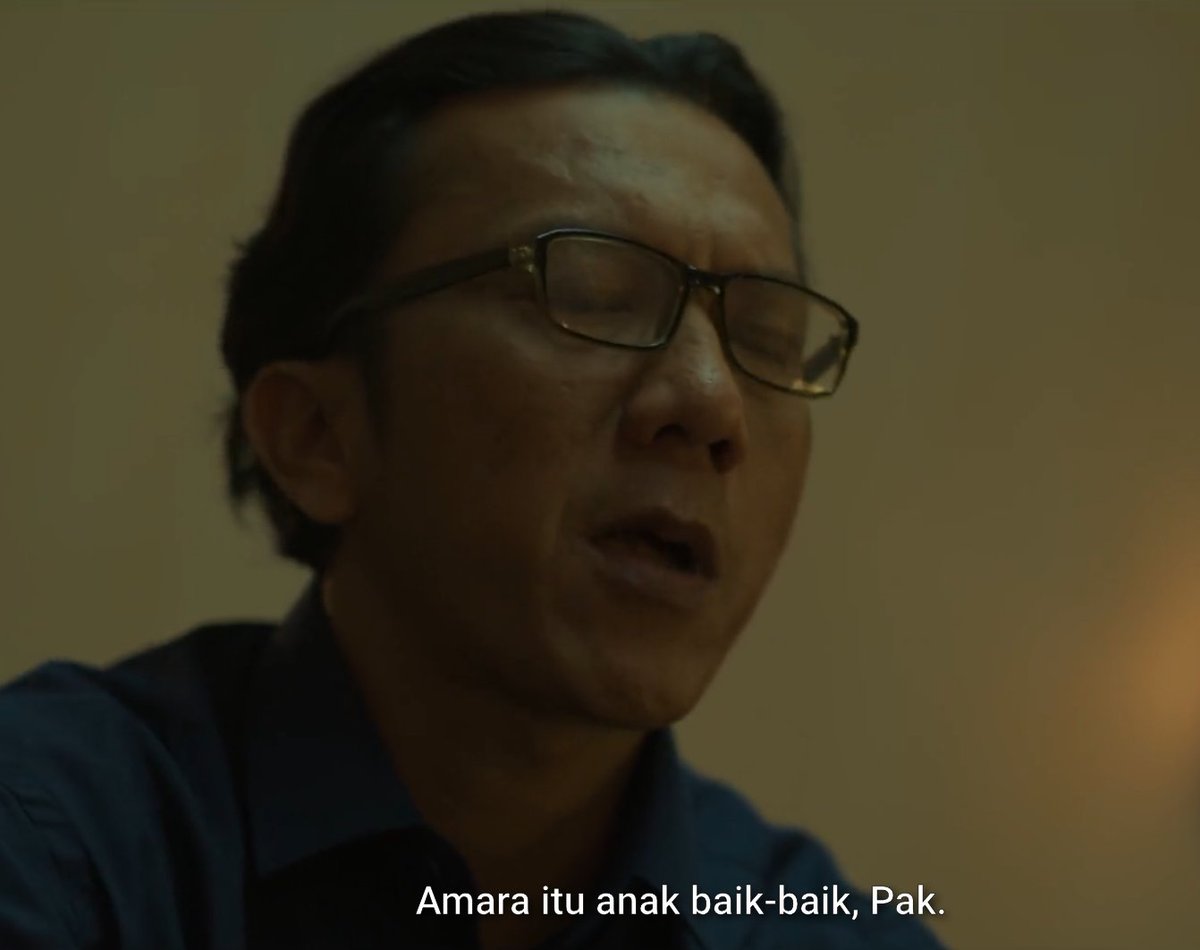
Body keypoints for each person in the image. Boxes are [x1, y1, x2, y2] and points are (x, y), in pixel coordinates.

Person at [0, 10, 944, 949]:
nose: (711, 403)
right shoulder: (60, 842)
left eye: (766, 341)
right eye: (591, 296)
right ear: (317, 437)